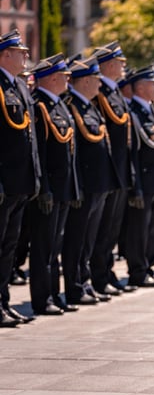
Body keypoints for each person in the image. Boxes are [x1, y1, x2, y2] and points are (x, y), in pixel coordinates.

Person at [62, 56, 120, 305]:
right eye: (96, 79)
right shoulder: (72, 105)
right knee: (76, 239)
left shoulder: (89, 105)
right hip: (84, 184)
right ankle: (75, 286)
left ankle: (84, 282)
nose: (99, 84)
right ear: (85, 81)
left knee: (89, 238)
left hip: (98, 183)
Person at [27, 54, 75, 316]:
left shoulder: (59, 106)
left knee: (55, 245)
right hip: (49, 189)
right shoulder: (39, 107)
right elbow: (40, 154)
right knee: (43, 248)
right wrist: (43, 188)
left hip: (63, 188)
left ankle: (54, 294)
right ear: (54, 78)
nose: (68, 80)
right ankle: (41, 298)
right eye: (65, 76)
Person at [90, 41, 138, 295]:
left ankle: (106, 272)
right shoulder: (100, 95)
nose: (123, 66)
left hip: (120, 169)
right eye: (119, 62)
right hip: (107, 170)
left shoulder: (115, 92)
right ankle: (97, 276)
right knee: (100, 230)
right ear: (108, 65)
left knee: (111, 229)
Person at [0, 30, 40, 326]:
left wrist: (35, 176)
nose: (26, 56)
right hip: (4, 181)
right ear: (5, 55)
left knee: (9, 246)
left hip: (20, 181)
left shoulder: (21, 88)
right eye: (20, 52)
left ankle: (3, 301)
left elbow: (30, 137)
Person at [124, 65, 154, 289]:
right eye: (153, 84)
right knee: (139, 231)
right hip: (144, 182)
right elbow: (133, 153)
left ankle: (149, 267)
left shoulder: (151, 110)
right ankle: (138, 270)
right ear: (141, 87)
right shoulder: (133, 112)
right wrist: (136, 187)